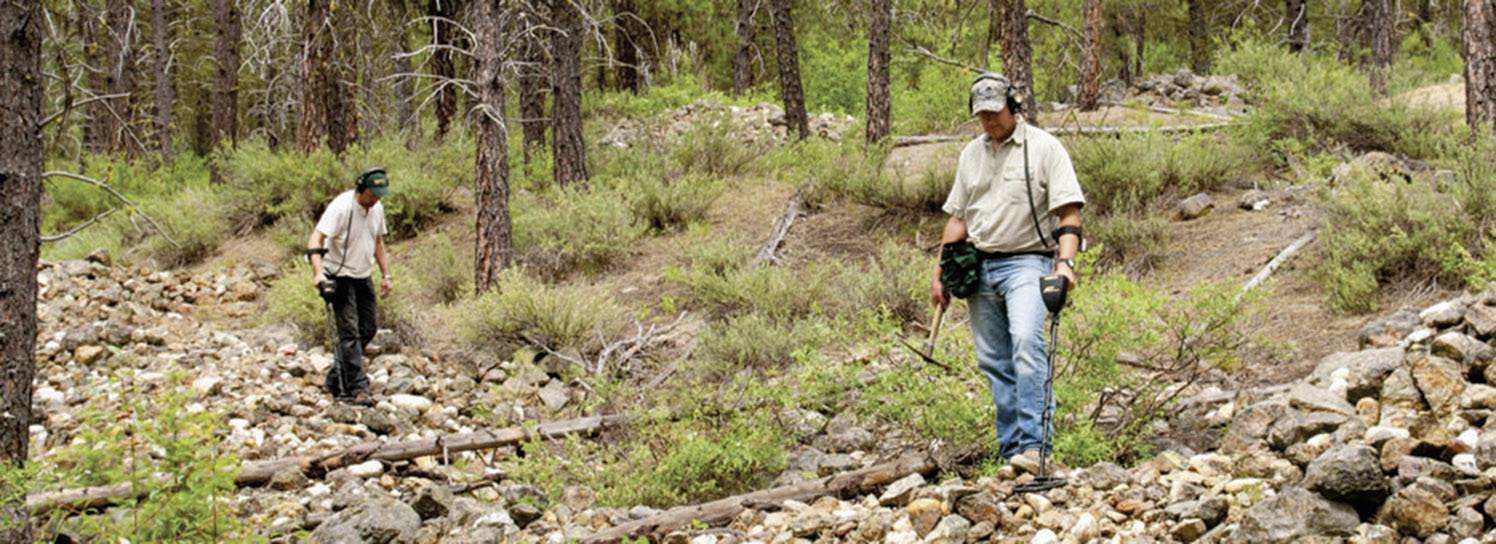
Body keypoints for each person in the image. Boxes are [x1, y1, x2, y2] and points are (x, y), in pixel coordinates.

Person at [931, 73, 1085, 474]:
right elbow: (958, 220)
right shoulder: (971, 154)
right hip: (978, 266)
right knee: (995, 361)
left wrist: (1065, 265)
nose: (988, 122)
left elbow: (1069, 213)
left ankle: (1036, 449)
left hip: (1028, 262)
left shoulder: (1045, 148)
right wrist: (940, 272)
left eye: (994, 113)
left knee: (1026, 348)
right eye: (981, 115)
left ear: (1013, 107)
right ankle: (1011, 453)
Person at [306, 168, 394, 404]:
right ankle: (358, 388)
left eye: (380, 194)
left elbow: (378, 241)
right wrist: (318, 274)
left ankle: (336, 377)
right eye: (372, 194)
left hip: (363, 274)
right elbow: (316, 239)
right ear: (361, 189)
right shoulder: (341, 207)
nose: (376, 199)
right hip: (339, 274)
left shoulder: (377, 209)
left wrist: (386, 275)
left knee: (369, 328)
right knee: (350, 332)